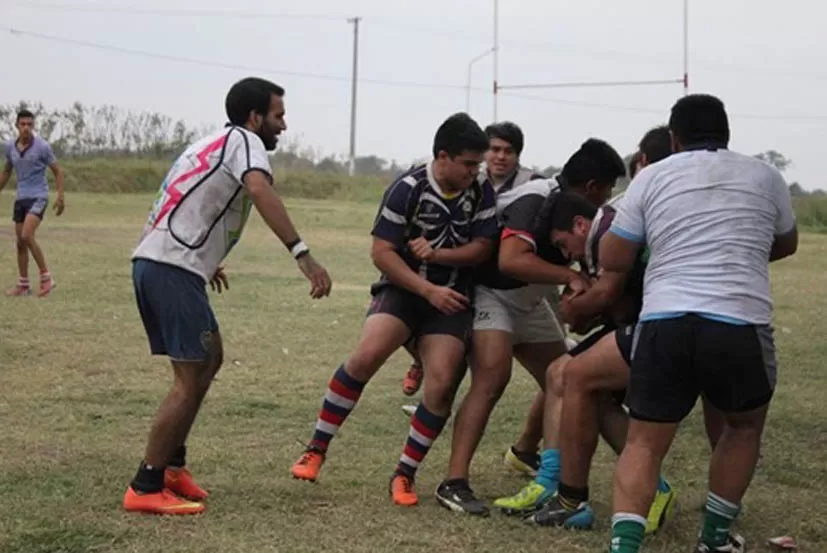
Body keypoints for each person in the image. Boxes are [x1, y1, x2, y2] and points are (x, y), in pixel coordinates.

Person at [124, 77, 332, 515]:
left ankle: (172, 468)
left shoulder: (212, 142)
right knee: (190, 376)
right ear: (255, 117)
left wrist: (202, 256)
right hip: (170, 267)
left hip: (164, 262)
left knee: (210, 357)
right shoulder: (244, 139)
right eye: (278, 116)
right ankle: (145, 484)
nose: (284, 125)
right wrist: (303, 255)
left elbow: (184, 197)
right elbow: (259, 188)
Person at [601, 94, 797, 553]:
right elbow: (785, 242)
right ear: (727, 133)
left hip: (665, 317)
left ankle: (624, 547)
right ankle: (714, 539)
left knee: (644, 442)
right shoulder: (766, 176)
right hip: (738, 319)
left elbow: (613, 256)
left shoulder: (651, 176)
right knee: (743, 427)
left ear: (674, 138)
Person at [290, 113, 499, 507]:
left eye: (478, 164)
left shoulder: (480, 190)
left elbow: (484, 248)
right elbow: (381, 253)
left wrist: (439, 258)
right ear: (443, 157)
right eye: (469, 164)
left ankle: (405, 473)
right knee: (366, 355)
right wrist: (425, 288)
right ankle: (316, 448)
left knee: (441, 383)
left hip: (451, 298)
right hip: (404, 289)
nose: (476, 172)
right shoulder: (408, 188)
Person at [493, 127, 676, 528]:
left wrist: (579, 301)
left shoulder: (607, 227)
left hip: (657, 330)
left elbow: (615, 298)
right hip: (654, 327)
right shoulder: (593, 216)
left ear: (578, 225)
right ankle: (553, 482)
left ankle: (631, 488)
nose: (565, 258)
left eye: (562, 247)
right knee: (565, 374)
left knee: (572, 377)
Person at [434, 134, 620, 516]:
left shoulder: (579, 215)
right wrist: (569, 278)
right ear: (591, 188)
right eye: (607, 191)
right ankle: (453, 482)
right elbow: (511, 261)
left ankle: (539, 468)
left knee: (566, 377)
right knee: (491, 380)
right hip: (493, 295)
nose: (606, 201)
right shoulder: (536, 197)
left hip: (531, 301)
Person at [400, 122, 552, 483]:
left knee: (563, 375)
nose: (499, 157)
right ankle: (452, 477)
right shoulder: (460, 178)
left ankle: (527, 451)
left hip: (526, 293)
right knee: (482, 377)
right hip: (480, 290)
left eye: (508, 151)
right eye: (494, 149)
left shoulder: (535, 185)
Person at [0, 109, 65, 297]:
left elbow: (58, 171)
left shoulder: (42, 147)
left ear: (33, 126)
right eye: (23, 124)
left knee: (27, 235)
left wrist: (60, 197)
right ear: (17, 126)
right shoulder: (11, 148)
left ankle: (46, 278)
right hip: (21, 198)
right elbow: (6, 172)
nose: (26, 128)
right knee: (20, 242)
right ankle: (23, 285)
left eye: (30, 124)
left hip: (39, 196)